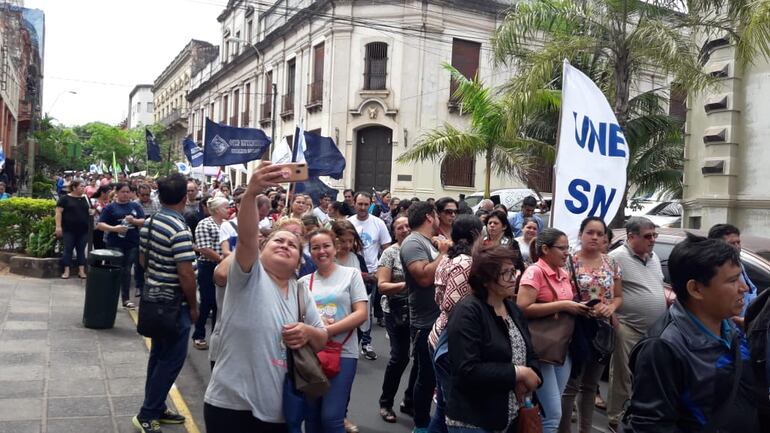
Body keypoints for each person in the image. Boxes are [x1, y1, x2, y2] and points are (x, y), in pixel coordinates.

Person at [203, 162, 327, 432]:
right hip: (231, 406)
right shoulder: (249, 274)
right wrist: (251, 193)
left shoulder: (300, 291)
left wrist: (306, 331)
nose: (285, 244)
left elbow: (321, 339)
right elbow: (247, 238)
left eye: (293, 245)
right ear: (262, 250)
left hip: (279, 412)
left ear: (298, 262)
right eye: (277, 241)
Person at [627, 233, 759, 433]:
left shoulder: (731, 328)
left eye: (740, 277)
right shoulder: (663, 347)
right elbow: (651, 425)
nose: (744, 288)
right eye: (732, 281)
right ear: (696, 289)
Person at [445, 245, 542, 433]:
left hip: (511, 415)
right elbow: (467, 369)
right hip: (475, 420)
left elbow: (531, 353)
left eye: (514, 271)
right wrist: (518, 373)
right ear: (486, 279)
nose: (514, 278)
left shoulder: (512, 310)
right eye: (506, 273)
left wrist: (533, 374)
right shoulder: (467, 312)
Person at [132, 173, 199, 433]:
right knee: (171, 360)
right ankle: (147, 413)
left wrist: (158, 274)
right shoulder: (180, 229)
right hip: (173, 304)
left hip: (153, 297)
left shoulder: (150, 222)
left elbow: (142, 260)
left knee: (159, 356)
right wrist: (193, 306)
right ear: (184, 197)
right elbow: (186, 274)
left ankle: (156, 406)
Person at [517, 228, 590, 433]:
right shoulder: (534, 272)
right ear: (545, 249)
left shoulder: (563, 273)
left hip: (562, 347)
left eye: (568, 247)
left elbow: (567, 304)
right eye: (562, 248)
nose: (567, 252)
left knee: (550, 407)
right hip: (543, 349)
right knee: (553, 414)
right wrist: (564, 305)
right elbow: (523, 308)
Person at [299, 229, 369, 433]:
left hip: (344, 352)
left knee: (331, 418)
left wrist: (325, 331)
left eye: (326, 246)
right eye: (316, 247)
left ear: (335, 247)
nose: (322, 251)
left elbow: (361, 313)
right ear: (310, 252)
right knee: (311, 418)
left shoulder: (351, 275)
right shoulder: (304, 283)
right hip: (311, 355)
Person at [558, 218, 623, 433]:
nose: (595, 237)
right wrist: (579, 306)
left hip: (602, 331)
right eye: (590, 232)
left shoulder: (611, 263)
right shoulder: (568, 262)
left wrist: (610, 308)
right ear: (581, 234)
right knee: (571, 385)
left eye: (599, 233)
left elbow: (619, 296)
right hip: (575, 329)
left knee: (590, 386)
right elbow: (558, 294)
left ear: (605, 237)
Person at [605, 217, 666, 432]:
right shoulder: (615, 258)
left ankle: (638, 415)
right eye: (648, 236)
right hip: (628, 327)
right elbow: (605, 292)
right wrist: (614, 320)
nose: (653, 240)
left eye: (654, 235)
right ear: (631, 237)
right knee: (624, 375)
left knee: (647, 375)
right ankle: (617, 418)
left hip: (655, 331)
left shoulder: (654, 257)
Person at [428, 215, 484, 433]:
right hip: (451, 340)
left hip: (442, 333)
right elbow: (452, 303)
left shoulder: (450, 258)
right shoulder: (465, 263)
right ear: (474, 236)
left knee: (444, 409)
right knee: (454, 410)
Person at [400, 201, 452, 433]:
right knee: (427, 375)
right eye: (438, 215)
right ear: (430, 217)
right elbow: (423, 278)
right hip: (424, 321)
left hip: (436, 318)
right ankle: (421, 424)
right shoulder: (412, 242)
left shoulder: (426, 241)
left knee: (433, 374)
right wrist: (442, 254)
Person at [377, 215, 417, 424]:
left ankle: (409, 401)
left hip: (419, 312)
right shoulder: (390, 253)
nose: (404, 230)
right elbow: (382, 286)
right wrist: (406, 285)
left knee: (420, 360)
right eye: (399, 227)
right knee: (400, 358)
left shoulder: (423, 250)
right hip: (395, 311)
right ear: (394, 232)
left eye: (407, 226)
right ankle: (386, 403)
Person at [348, 192, 392, 360]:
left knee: (367, 311)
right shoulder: (348, 223)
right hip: (351, 272)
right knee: (350, 309)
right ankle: (350, 343)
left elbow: (386, 247)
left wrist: (381, 270)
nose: (363, 208)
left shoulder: (378, 223)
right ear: (354, 204)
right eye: (360, 204)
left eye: (366, 204)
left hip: (371, 274)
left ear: (370, 204)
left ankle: (366, 343)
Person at [96, 183, 146, 309]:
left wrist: (133, 221)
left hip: (132, 242)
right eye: (123, 191)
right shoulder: (110, 208)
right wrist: (114, 228)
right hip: (114, 243)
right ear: (117, 192)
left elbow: (144, 221)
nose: (125, 194)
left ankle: (126, 298)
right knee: (115, 269)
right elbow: (100, 224)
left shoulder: (135, 206)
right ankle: (110, 297)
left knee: (127, 270)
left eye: (128, 192)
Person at [192, 197, 228, 350]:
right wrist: (222, 260)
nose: (229, 209)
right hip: (209, 266)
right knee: (208, 301)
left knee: (221, 304)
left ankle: (217, 335)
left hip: (224, 267)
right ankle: (199, 334)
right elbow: (204, 249)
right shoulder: (204, 224)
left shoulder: (227, 224)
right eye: (226, 207)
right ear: (217, 209)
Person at [708, 223, 758, 322]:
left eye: (738, 242)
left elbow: (751, 290)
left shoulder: (739, 264)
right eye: (732, 243)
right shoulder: (714, 270)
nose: (737, 247)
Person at [55, 179, 91, 279]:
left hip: (83, 230)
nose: (83, 188)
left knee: (81, 250)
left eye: (84, 186)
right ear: (74, 187)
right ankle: (66, 270)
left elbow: (90, 211)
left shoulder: (86, 198)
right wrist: (58, 226)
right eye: (81, 186)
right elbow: (58, 213)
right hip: (68, 229)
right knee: (68, 249)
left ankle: (81, 270)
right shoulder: (64, 199)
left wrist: (92, 212)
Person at [91, 185, 112, 250]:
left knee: (108, 249)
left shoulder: (110, 202)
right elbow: (91, 213)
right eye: (108, 192)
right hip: (96, 228)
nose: (110, 194)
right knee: (98, 248)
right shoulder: (93, 201)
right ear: (103, 192)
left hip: (108, 228)